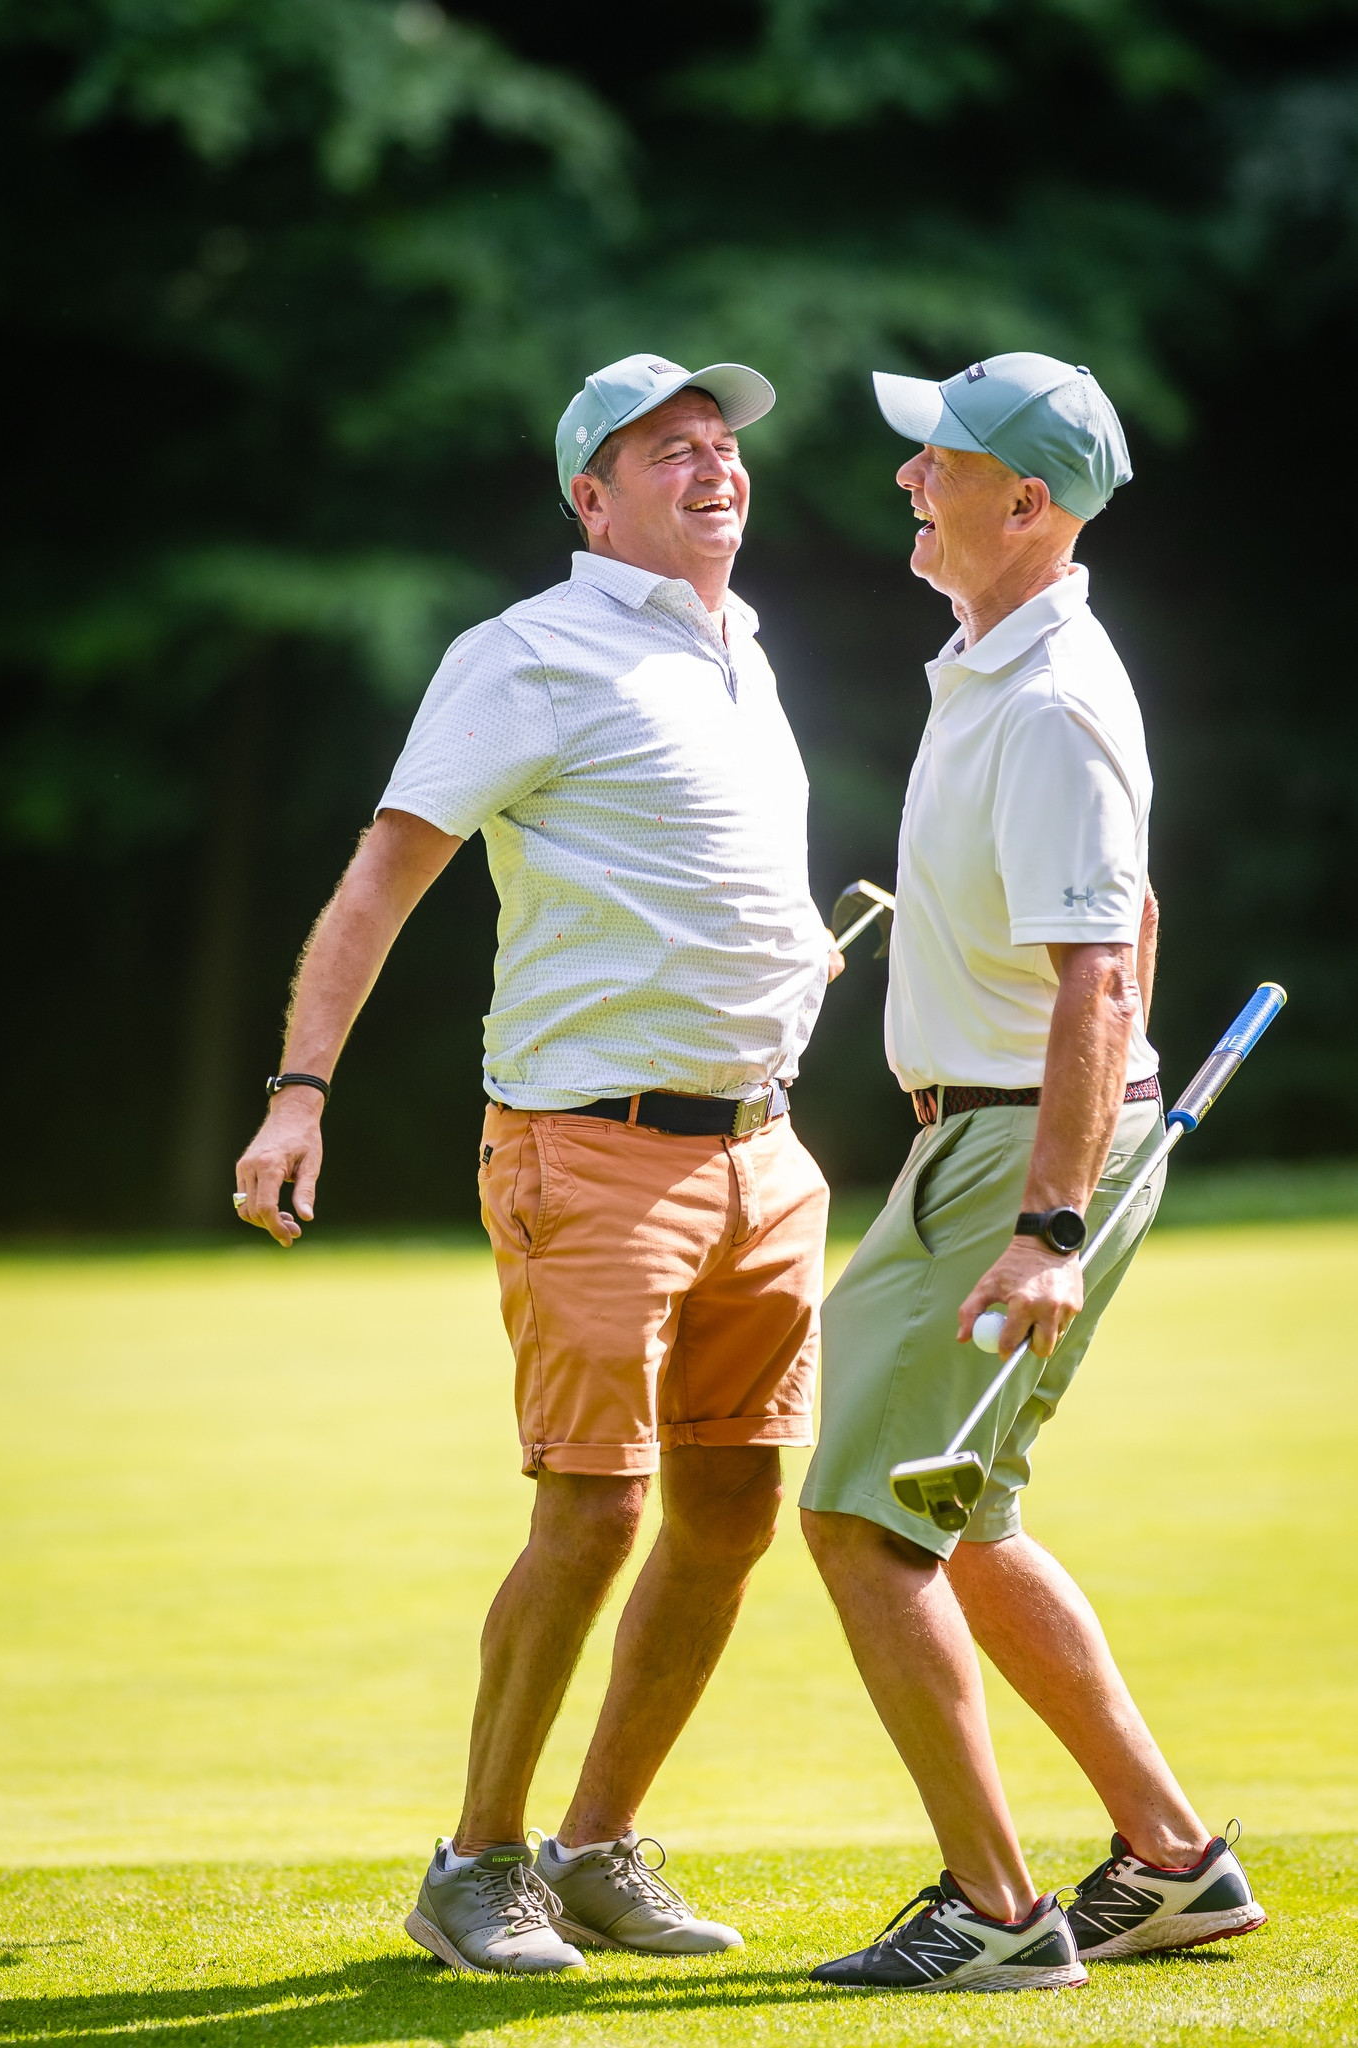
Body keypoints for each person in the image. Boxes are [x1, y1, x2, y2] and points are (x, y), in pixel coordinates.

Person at [233, 352, 838, 1976]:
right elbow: (382, 882)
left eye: (722, 446)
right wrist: (300, 1095)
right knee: (595, 1510)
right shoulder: (525, 654)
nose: (714, 468)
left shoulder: (743, 647)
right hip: (592, 1147)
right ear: (593, 497)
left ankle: (597, 1847)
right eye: (669, 452)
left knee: (734, 1507)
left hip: (764, 1148)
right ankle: (476, 1862)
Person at [799, 353, 1267, 1992]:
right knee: (964, 1513)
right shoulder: (996, 666)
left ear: (1027, 501)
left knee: (865, 1523)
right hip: (1003, 1133)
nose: (908, 479)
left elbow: (1102, 972)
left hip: (1012, 1153)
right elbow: (1130, 925)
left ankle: (996, 1915)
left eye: (937, 458)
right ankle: (1173, 1860)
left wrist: (1052, 1221)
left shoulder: (1052, 698)